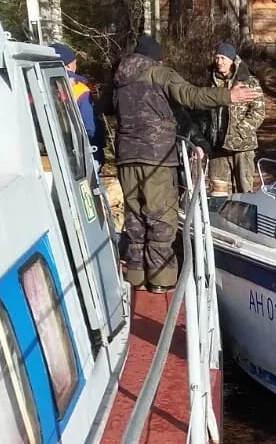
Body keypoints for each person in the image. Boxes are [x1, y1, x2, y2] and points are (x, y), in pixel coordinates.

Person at [114, 34, 261, 293]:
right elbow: (190, 96)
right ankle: (161, 280)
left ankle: (135, 276)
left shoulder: (119, 78)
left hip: (126, 156)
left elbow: (106, 107)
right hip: (156, 157)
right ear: (155, 59)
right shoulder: (159, 74)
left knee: (134, 217)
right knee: (160, 217)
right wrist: (228, 96)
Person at [205, 43, 266, 199]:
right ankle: (218, 222)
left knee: (244, 192)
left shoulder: (248, 81)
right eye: (217, 57)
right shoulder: (210, 83)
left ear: (232, 60)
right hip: (217, 146)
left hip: (242, 147)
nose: (219, 61)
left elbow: (258, 112)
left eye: (223, 58)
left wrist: (239, 132)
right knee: (218, 192)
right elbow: (202, 110)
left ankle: (243, 222)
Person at [51, 42, 104, 166]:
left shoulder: (37, 85)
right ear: (69, 64)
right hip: (82, 153)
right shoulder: (80, 88)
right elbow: (90, 127)